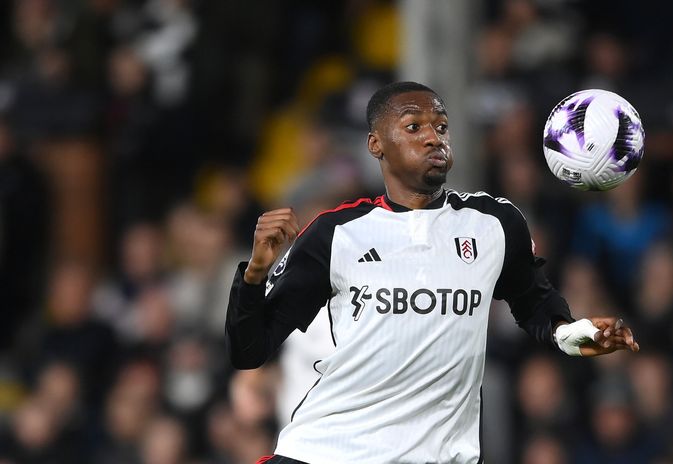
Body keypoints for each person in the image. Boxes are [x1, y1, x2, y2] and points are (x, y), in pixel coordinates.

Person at [225, 81, 640, 464]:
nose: (433, 137)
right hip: (331, 450)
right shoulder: (337, 234)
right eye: (413, 126)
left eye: (441, 127)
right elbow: (249, 349)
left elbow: (533, 303)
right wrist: (256, 272)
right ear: (376, 144)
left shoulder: (494, 224)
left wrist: (569, 334)